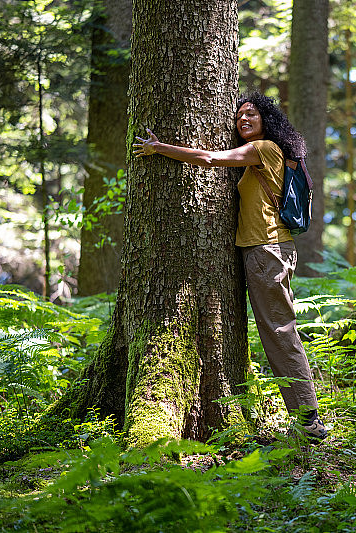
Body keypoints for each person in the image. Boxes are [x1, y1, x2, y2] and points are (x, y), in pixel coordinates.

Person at [132, 92, 327, 441]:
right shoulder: (259, 156)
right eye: (238, 116)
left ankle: (309, 420)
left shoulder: (265, 149)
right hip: (261, 250)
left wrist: (159, 148)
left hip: (267, 250)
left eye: (251, 114)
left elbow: (208, 158)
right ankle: (306, 415)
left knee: (279, 330)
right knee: (276, 329)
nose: (243, 119)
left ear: (268, 121)